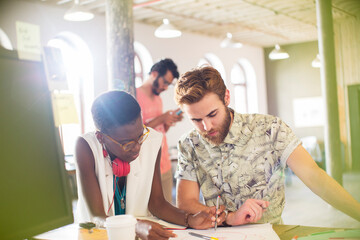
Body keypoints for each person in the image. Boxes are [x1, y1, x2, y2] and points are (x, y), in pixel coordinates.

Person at [174, 66, 360, 226]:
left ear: (226, 98)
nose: (206, 127)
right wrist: (230, 218)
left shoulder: (270, 129)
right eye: (196, 120)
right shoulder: (189, 143)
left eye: (212, 114)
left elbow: (315, 177)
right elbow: (186, 203)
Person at [75, 90, 218, 240]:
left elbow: (157, 203)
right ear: (101, 137)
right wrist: (134, 226)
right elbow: (97, 216)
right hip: (98, 235)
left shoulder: (152, 141)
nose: (137, 147)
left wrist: (190, 219)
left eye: (140, 136)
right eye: (126, 144)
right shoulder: (85, 147)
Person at [137, 58, 183, 203]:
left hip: (164, 163)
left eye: (168, 85)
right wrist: (163, 117)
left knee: (168, 208)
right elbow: (137, 133)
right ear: (155, 74)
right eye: (165, 82)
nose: (165, 88)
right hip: (146, 166)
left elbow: (159, 132)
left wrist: (169, 121)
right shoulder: (135, 96)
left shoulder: (158, 99)